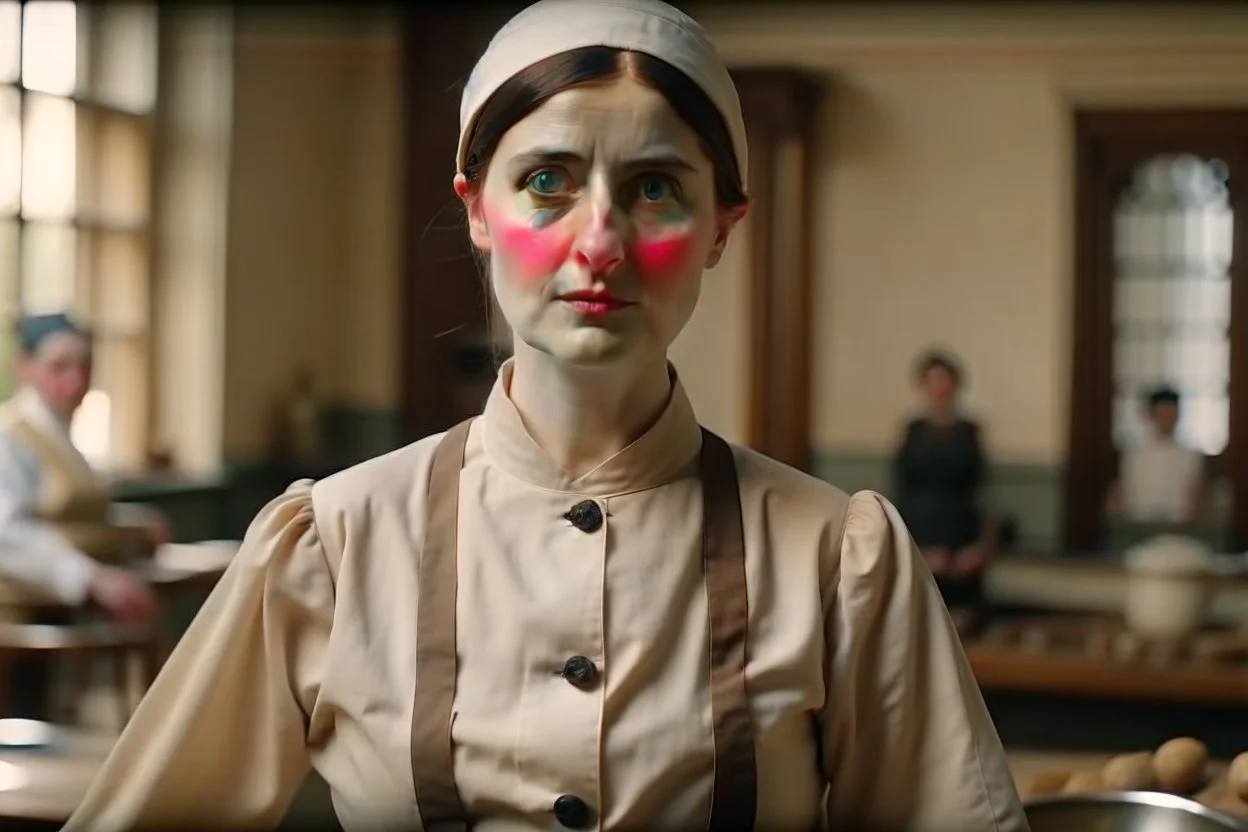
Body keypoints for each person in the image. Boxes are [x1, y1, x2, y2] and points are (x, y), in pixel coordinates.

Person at [64, 2, 1026, 830]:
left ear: (722, 229)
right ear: (477, 209)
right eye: (547, 182)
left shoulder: (838, 561)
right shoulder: (334, 544)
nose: (598, 242)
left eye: (654, 188)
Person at [0, 314, 159, 716]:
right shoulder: (9, 436)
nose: (75, 381)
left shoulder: (61, 435)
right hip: (16, 618)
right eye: (59, 366)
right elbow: (8, 531)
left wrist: (135, 525)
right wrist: (91, 578)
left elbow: (71, 513)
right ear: (25, 367)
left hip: (54, 609)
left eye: (84, 366)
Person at [893, 350, 1000, 609]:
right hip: (920, 535)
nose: (939, 389)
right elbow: (900, 491)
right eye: (932, 382)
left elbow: (984, 493)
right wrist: (917, 550)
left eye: (944, 381)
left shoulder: (971, 431)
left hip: (962, 539)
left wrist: (980, 549)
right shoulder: (912, 431)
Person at [1108, 385, 1208, 525]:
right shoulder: (1134, 453)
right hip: (1138, 523)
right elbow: (1123, 491)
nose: (1167, 417)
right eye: (1163, 412)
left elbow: (1196, 494)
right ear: (1151, 414)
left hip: (1179, 524)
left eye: (1172, 412)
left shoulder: (1190, 454)